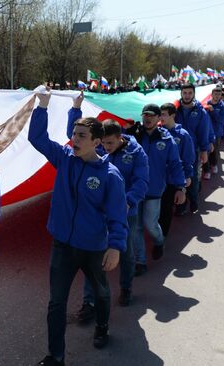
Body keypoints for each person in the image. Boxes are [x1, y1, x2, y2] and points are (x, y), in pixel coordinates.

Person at [29, 90, 128, 366]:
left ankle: (102, 327)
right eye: (74, 134)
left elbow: (117, 215)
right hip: (63, 245)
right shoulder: (64, 158)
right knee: (56, 303)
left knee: (101, 292)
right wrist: (43, 106)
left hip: (93, 247)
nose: (74, 139)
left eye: (82, 136)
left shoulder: (110, 176)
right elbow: (37, 138)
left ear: (97, 142)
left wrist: (115, 247)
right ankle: (55, 356)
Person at [67, 94, 148, 313]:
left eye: (110, 143)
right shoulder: (99, 148)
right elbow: (74, 135)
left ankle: (126, 288)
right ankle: (89, 301)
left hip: (126, 212)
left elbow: (141, 182)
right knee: (93, 255)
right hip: (99, 213)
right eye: (102, 143)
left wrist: (129, 202)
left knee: (126, 252)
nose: (105, 147)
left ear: (121, 137)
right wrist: (76, 108)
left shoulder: (136, 152)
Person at [126, 104, 186, 275]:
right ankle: (141, 261)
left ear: (159, 118)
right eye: (145, 115)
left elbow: (175, 164)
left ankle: (159, 241)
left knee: (150, 225)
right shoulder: (133, 136)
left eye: (152, 115)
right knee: (136, 227)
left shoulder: (167, 140)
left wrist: (181, 187)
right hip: (135, 190)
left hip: (154, 190)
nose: (147, 118)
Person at [175, 84, 211, 214]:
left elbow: (204, 132)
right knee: (178, 176)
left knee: (193, 177)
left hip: (193, 149)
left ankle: (194, 200)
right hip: (176, 149)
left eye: (190, 93)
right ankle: (181, 205)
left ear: (194, 94)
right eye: (184, 93)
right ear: (181, 94)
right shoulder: (175, 109)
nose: (187, 96)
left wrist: (204, 150)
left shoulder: (200, 112)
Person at [159, 103, 194, 232]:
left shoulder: (183, 135)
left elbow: (188, 157)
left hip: (174, 178)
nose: (160, 117)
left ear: (172, 115)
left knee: (168, 207)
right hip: (160, 178)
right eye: (160, 114)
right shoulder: (158, 133)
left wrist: (187, 175)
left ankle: (162, 236)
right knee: (162, 207)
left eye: (163, 114)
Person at [203, 87, 224, 179]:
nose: (217, 96)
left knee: (214, 151)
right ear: (212, 94)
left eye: (219, 94)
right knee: (205, 151)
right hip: (205, 132)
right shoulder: (206, 104)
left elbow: (222, 120)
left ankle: (214, 165)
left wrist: (213, 111)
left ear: (221, 95)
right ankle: (207, 170)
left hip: (216, 133)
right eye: (215, 94)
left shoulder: (223, 106)